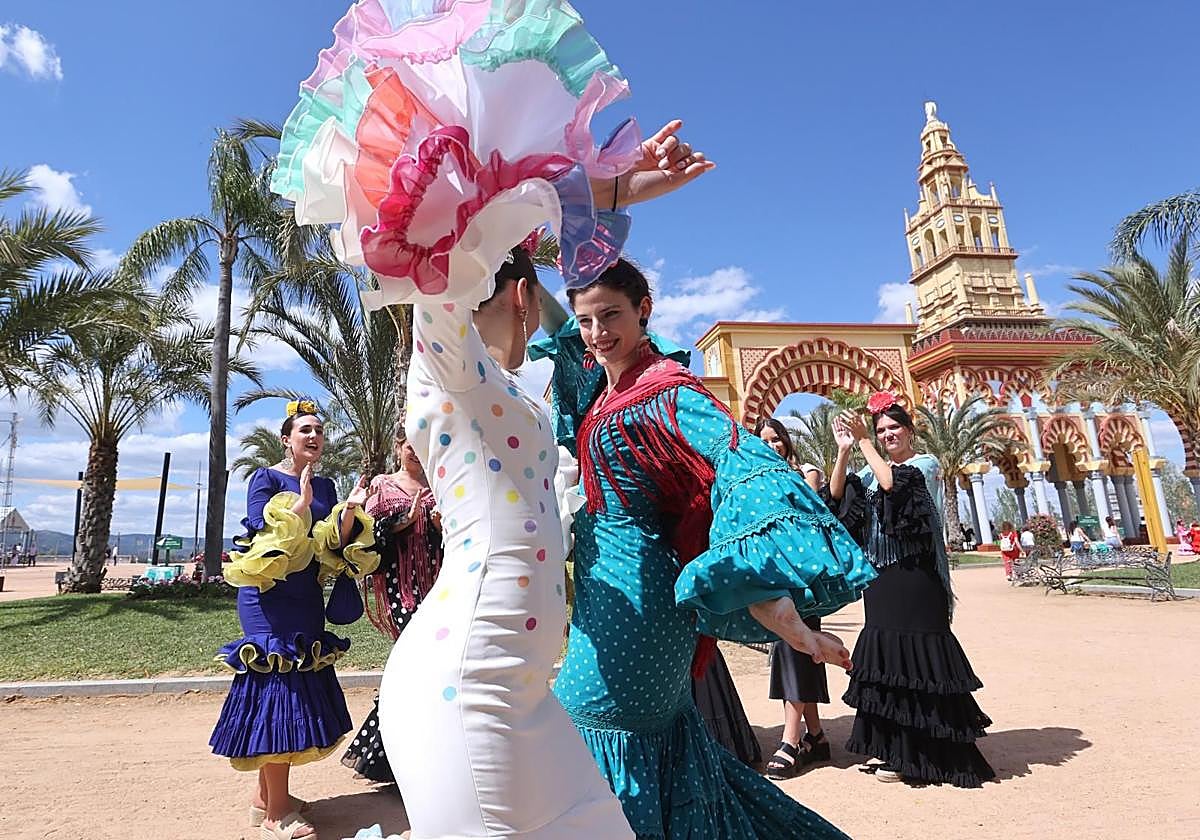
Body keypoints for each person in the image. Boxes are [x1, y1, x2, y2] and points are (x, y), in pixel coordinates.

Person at [535, 260, 874, 838]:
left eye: (611, 315)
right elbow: (563, 332)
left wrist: (796, 629)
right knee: (626, 741)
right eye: (588, 320)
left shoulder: (668, 391)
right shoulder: (603, 382)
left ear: (644, 309)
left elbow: (736, 455)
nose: (597, 333)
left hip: (639, 603)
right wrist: (521, 259)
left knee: (589, 727)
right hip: (605, 589)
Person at [209, 401, 378, 840]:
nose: (314, 435)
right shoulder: (264, 478)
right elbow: (263, 538)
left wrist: (347, 513)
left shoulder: (325, 482)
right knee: (277, 691)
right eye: (304, 429)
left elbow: (326, 547)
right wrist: (301, 505)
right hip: (268, 597)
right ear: (286, 438)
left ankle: (264, 800)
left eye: (319, 429)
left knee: (295, 687)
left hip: (306, 596)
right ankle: (277, 814)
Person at [831, 394, 995, 787]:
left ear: (909, 431)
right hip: (882, 577)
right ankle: (892, 747)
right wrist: (843, 451)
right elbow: (837, 498)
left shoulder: (924, 465)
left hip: (917, 577)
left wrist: (865, 442)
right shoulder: (871, 471)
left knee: (916, 661)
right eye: (881, 430)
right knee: (888, 661)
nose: (888, 435)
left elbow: (892, 486)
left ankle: (923, 753)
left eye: (894, 428)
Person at [342, 423, 443, 786]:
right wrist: (404, 521)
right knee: (416, 662)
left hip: (439, 586)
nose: (416, 451)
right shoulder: (383, 485)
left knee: (428, 669)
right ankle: (389, 755)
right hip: (402, 587)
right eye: (410, 445)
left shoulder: (440, 484)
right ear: (399, 447)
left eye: (423, 445)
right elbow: (366, 534)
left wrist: (437, 525)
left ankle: (391, 755)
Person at [753, 418, 832, 778]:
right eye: (764, 441)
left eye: (777, 440)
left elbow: (805, 514)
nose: (773, 447)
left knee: (794, 646)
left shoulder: (805, 472)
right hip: (776, 573)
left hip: (800, 576)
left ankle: (790, 739)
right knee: (801, 648)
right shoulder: (756, 479)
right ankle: (815, 735)